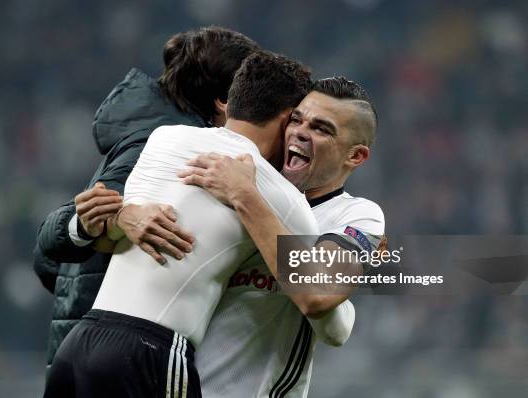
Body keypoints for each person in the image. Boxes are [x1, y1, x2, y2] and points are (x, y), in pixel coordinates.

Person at [43, 51, 318, 398]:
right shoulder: (277, 194)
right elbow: (319, 295)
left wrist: (116, 220)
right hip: (151, 351)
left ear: (230, 103)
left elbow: (107, 237)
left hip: (80, 343)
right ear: (285, 119)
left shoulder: (164, 138)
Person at [120, 76, 384, 397]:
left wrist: (245, 196)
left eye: (321, 128)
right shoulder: (229, 177)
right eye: (296, 119)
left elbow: (317, 291)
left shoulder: (356, 215)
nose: (299, 131)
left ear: (355, 156)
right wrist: (122, 215)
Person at [32, 26, 260, 375]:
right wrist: (114, 225)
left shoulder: (202, 155)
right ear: (224, 102)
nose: (292, 127)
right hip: (126, 361)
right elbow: (322, 293)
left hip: (100, 355)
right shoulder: (186, 152)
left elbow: (50, 265)